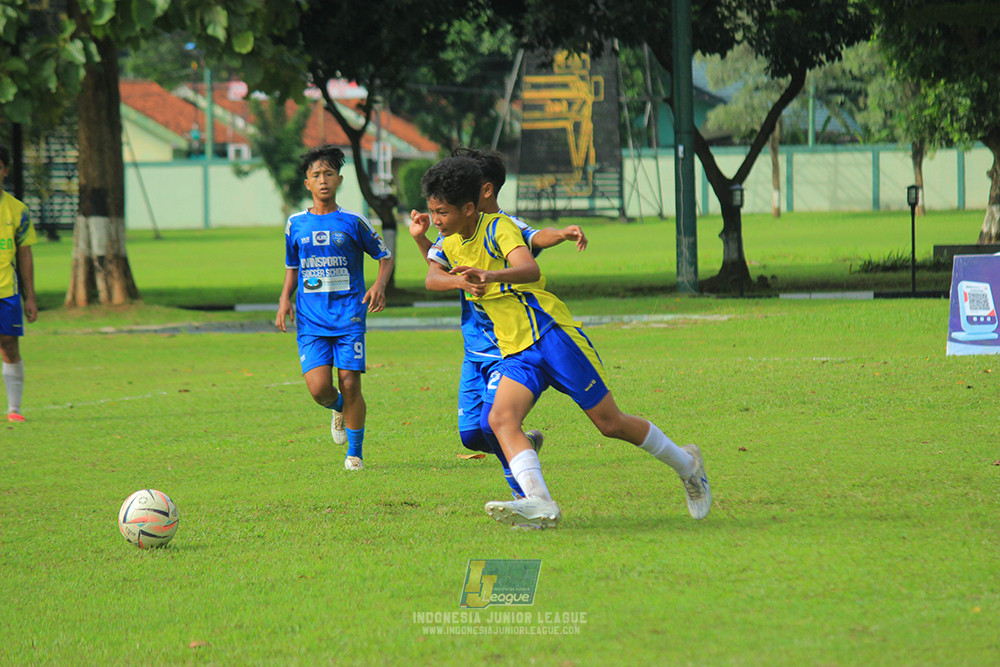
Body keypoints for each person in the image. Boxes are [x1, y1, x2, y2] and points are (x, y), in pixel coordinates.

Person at [419, 156, 711, 529]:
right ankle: (539, 502)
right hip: (516, 352)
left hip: (552, 336)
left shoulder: (499, 228)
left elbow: (530, 269)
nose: (436, 221)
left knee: (610, 423)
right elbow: (432, 278)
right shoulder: (448, 241)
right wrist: (460, 281)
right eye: (432, 212)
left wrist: (490, 275)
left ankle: (688, 465)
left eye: (442, 212)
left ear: (469, 208)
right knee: (498, 420)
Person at [408, 147, 587, 498]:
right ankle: (523, 448)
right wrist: (420, 240)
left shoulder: (503, 226)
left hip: (507, 344)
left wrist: (562, 234)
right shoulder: (453, 231)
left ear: (482, 191)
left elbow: (535, 237)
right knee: (471, 435)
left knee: (496, 426)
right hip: (473, 346)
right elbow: (438, 269)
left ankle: (527, 497)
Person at [276, 145, 394, 470]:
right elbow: (292, 265)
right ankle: (338, 408)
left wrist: (379, 285)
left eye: (329, 173)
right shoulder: (295, 224)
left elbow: (384, 256)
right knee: (319, 389)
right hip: (311, 319)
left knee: (351, 382)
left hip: (349, 317)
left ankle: (354, 455)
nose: (323, 180)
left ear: (339, 179)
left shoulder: (354, 221)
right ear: (307, 184)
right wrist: (285, 298)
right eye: (316, 175)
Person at [0, 143, 37, 423]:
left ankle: (14, 409)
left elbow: (25, 254)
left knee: (9, 344)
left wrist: (30, 296)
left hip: (7, 292)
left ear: (5, 170)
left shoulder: (18, 210)